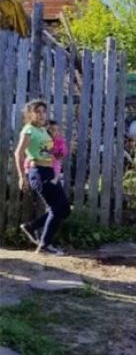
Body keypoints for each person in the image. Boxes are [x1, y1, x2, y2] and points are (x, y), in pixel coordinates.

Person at [14, 99, 70, 255]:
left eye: (43, 111)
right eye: (37, 111)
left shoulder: (43, 130)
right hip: (38, 173)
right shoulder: (29, 130)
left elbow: (49, 152)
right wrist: (21, 177)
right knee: (56, 208)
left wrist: (60, 151)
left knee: (64, 209)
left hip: (49, 172)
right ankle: (44, 245)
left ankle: (31, 227)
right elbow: (18, 153)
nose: (41, 115)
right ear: (30, 114)